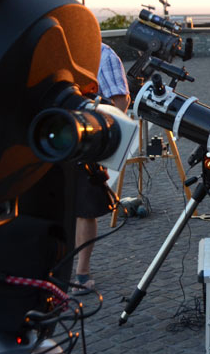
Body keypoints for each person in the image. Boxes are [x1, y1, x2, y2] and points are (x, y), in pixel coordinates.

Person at [72, 42, 131, 294]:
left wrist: (98, 138)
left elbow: (119, 102)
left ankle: (81, 273)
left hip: (87, 143)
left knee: (85, 209)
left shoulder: (103, 54)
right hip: (53, 138)